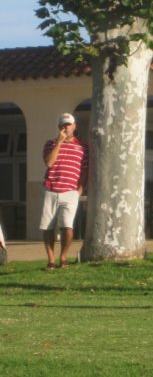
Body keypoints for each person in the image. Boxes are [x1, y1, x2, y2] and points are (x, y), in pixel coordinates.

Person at [39, 113, 88, 270]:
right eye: (63, 125)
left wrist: (80, 189)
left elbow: (84, 170)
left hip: (70, 191)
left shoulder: (83, 147)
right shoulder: (50, 143)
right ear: (59, 127)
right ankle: (51, 260)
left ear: (74, 126)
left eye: (68, 124)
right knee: (48, 227)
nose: (65, 127)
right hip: (50, 189)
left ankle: (63, 257)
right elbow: (49, 162)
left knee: (67, 227)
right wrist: (59, 142)